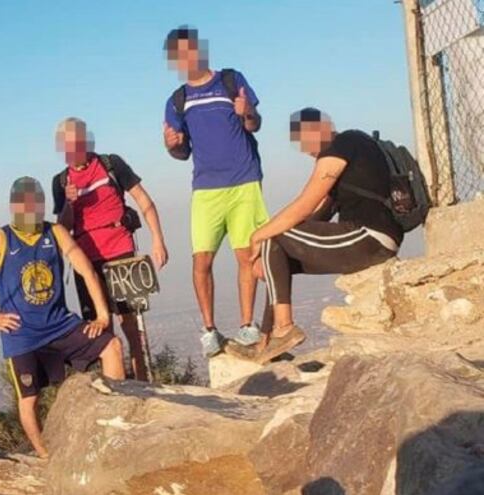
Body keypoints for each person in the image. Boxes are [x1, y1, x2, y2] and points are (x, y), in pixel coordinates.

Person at [0, 177, 126, 457]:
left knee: (112, 347)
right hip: (23, 336)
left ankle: (117, 424)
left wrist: (102, 315)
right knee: (29, 400)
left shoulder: (55, 232)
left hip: (61, 325)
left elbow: (86, 270)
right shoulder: (0, 239)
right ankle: (45, 456)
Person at [235, 108, 403, 363]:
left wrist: (257, 237)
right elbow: (314, 219)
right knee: (277, 248)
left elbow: (304, 205)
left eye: (303, 141)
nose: (305, 150)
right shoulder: (352, 151)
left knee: (272, 236)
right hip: (369, 239)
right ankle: (267, 344)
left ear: (318, 129)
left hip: (368, 236)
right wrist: (271, 259)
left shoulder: (343, 143)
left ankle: (284, 329)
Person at [162, 25, 267, 357]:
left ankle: (248, 325)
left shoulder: (231, 80)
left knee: (247, 256)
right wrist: (172, 146)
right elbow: (182, 153)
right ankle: (209, 331)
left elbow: (254, 123)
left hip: (244, 180)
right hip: (206, 188)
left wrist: (246, 112)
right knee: (201, 260)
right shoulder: (177, 100)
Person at [51, 117, 169, 380]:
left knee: (132, 325)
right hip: (87, 263)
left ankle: (143, 385)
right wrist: (70, 203)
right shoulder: (60, 182)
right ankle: (117, 391)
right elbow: (62, 229)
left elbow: (143, 200)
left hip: (121, 253)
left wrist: (158, 239)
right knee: (103, 333)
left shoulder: (110, 164)